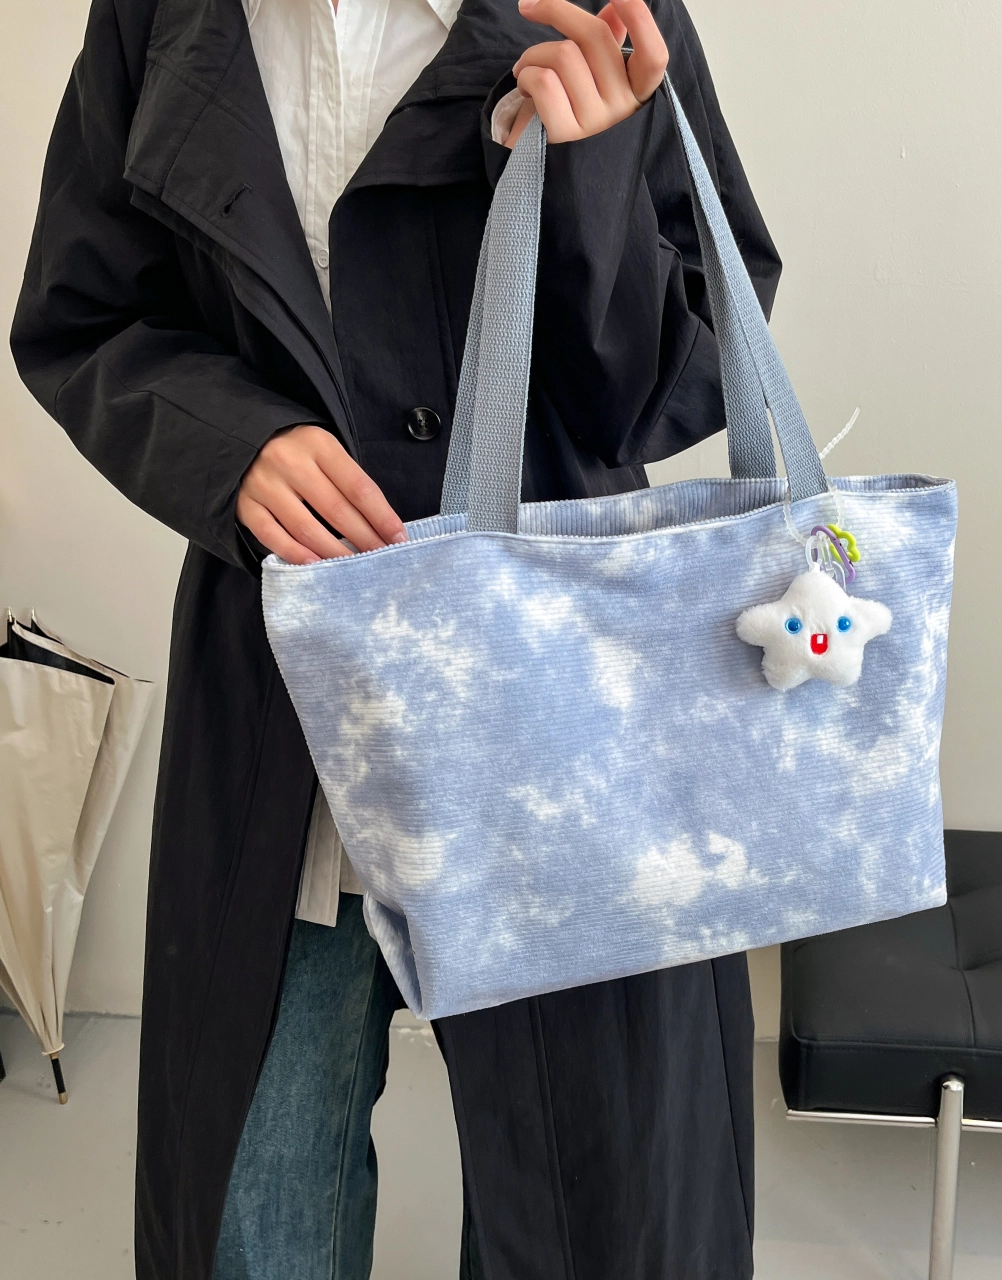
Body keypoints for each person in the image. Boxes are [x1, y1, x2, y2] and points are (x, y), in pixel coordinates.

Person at [11, 0, 781, 1276]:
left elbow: (682, 376)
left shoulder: (590, 8)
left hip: (555, 713)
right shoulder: (162, 16)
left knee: (596, 1207)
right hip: (290, 712)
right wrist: (232, 444)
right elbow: (82, 314)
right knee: (251, 1209)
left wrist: (592, 175)